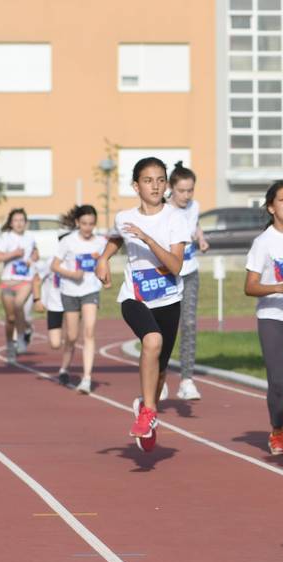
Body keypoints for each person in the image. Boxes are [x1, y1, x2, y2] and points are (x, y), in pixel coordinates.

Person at [95, 157, 190, 451]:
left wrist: (148, 239)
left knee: (160, 370)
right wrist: (103, 258)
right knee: (152, 340)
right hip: (134, 297)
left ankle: (146, 408)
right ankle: (148, 412)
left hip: (169, 299)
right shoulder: (124, 217)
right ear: (136, 186)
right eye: (148, 180)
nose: (155, 185)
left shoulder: (176, 218)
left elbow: (175, 265)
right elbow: (116, 238)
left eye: (161, 180)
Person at [244, 180, 283, 455]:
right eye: (282, 199)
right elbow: (250, 286)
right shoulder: (263, 242)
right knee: (276, 381)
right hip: (271, 315)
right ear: (271, 207)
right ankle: (278, 431)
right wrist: (279, 286)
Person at [52, 205, 107, 394]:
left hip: (90, 291)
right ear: (77, 223)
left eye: (91, 224)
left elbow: (103, 265)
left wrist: (105, 279)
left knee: (90, 332)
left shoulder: (100, 242)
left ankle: (86, 378)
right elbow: (55, 266)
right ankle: (65, 367)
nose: (87, 227)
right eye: (84, 223)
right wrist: (72, 274)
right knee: (72, 336)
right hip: (70, 291)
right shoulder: (68, 242)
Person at [167, 161, 209, 401]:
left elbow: (195, 225)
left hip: (190, 271)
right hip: (166, 275)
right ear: (172, 188)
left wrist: (201, 239)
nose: (186, 195)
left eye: (190, 190)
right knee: (165, 329)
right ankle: (159, 376)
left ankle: (186, 380)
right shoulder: (163, 210)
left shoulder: (194, 207)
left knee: (190, 323)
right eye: (181, 190)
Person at [0, 208, 39, 364]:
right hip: (7, 282)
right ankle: (10, 346)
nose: (19, 223)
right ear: (11, 223)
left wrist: (33, 257)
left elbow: (35, 253)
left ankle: (20, 338)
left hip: (25, 281)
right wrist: (13, 254)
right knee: (10, 318)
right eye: (16, 220)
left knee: (19, 305)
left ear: (26, 223)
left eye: (21, 220)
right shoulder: (6, 238)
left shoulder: (30, 237)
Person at [32, 258, 75, 385]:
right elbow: (36, 279)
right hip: (54, 305)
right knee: (55, 344)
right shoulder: (51, 261)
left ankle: (64, 369)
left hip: (73, 304)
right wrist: (37, 299)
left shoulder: (78, 259)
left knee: (71, 337)